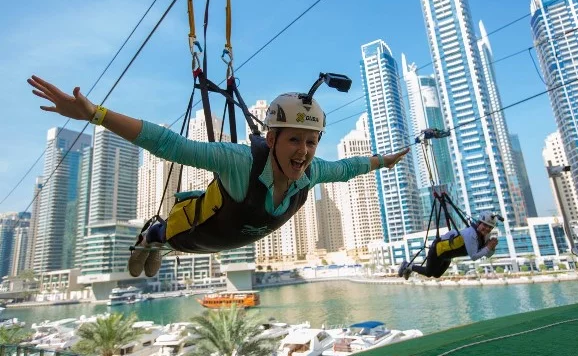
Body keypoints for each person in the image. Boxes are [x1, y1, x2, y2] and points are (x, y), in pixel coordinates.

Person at [27, 75, 410, 278]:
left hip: (227, 238)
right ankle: (150, 236)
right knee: (166, 233)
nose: (304, 152)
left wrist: (383, 162)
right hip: (191, 233)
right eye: (295, 140)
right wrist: (96, 114)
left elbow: (348, 169)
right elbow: (171, 145)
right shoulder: (239, 161)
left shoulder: (310, 174)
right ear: (272, 137)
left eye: (312, 143)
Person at [398, 211, 499, 280]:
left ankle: (408, 269)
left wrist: (492, 248)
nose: (486, 229)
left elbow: (487, 254)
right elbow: (474, 256)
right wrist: (488, 247)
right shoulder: (471, 234)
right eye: (484, 225)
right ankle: (407, 266)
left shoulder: (485, 235)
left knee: (437, 275)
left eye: (490, 227)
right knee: (429, 273)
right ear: (479, 223)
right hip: (437, 250)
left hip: (448, 256)